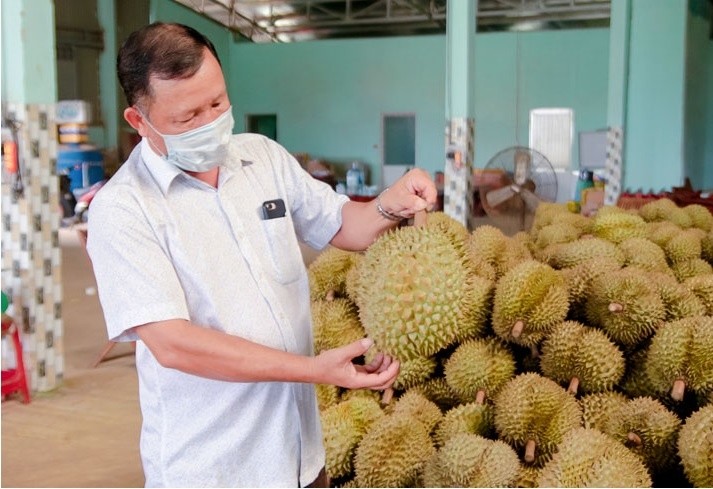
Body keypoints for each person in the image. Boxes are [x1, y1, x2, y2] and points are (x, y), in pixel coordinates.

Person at [87, 22, 437, 488]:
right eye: (188, 117)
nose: (210, 123)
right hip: (214, 470)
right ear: (139, 121)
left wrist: (390, 203)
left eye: (217, 103)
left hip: (301, 458)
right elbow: (173, 344)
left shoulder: (261, 158)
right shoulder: (124, 209)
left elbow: (342, 224)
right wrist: (311, 371)